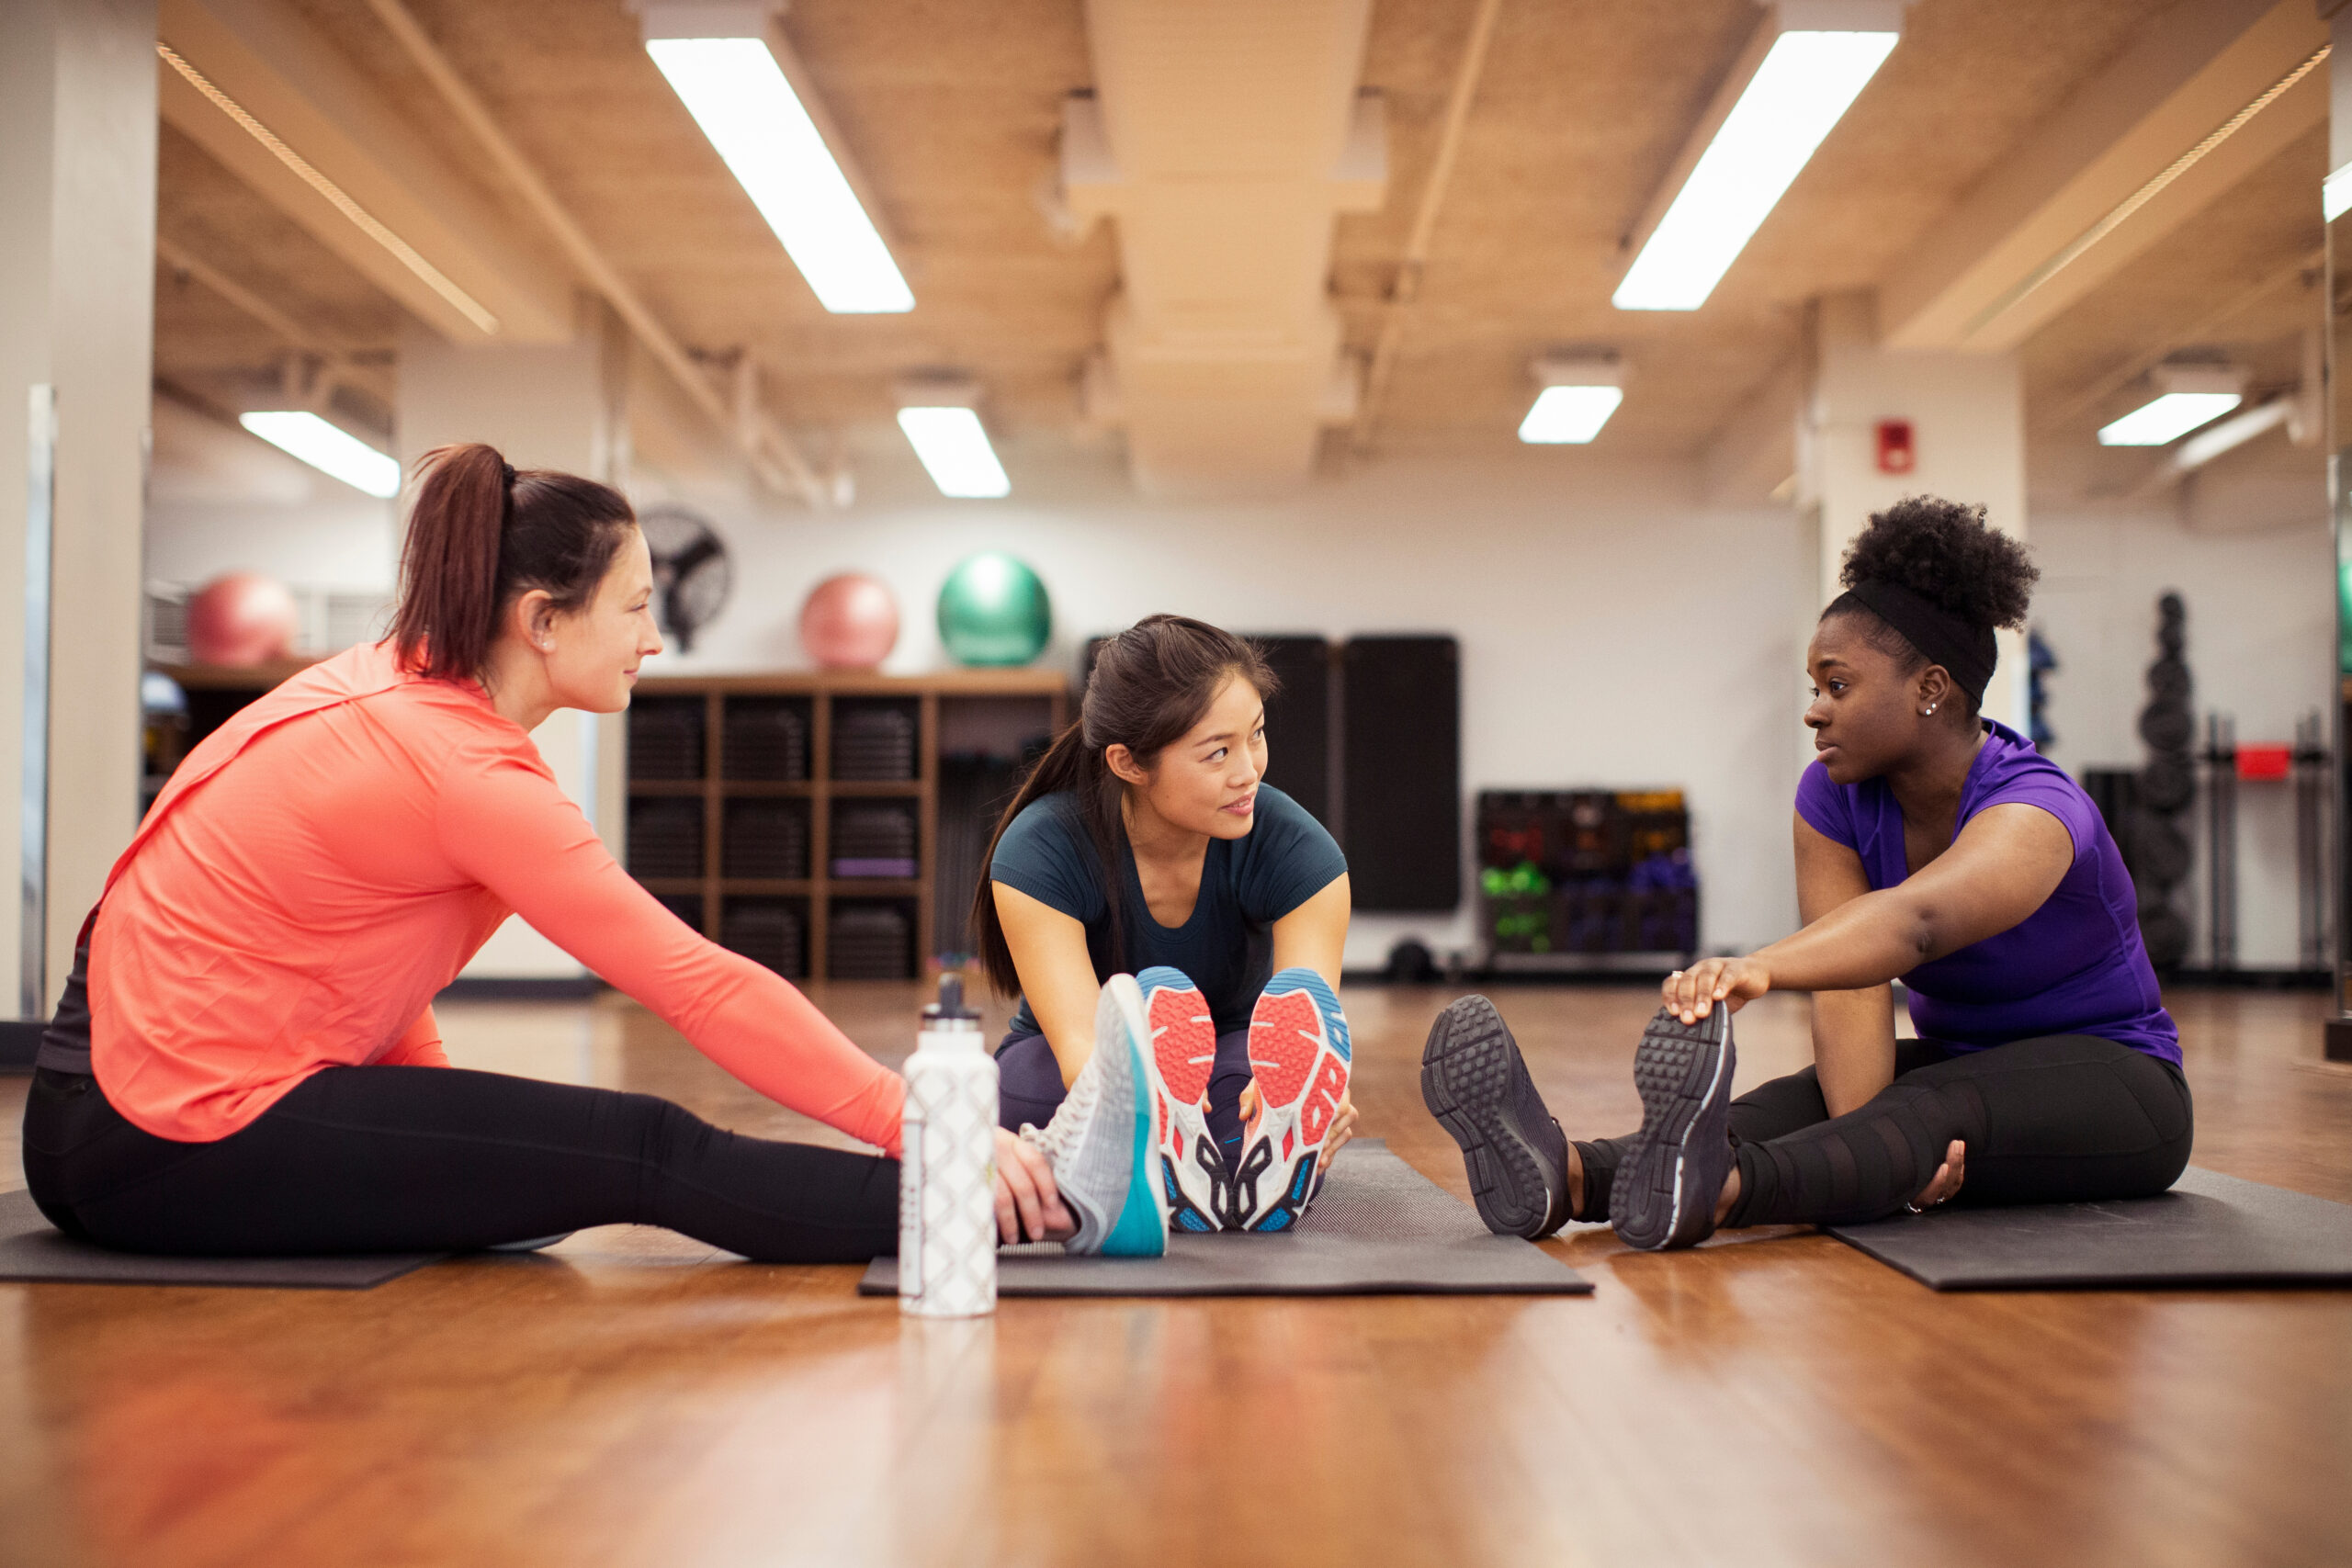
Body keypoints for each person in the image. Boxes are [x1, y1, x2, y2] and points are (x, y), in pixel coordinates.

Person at [21, 444, 1161, 1262]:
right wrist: (930, 1123)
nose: (654, 640)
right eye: (633, 609)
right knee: (642, 1147)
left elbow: (365, 959)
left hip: (113, 1103)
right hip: (156, 1129)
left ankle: (995, 1178)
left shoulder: (383, 684)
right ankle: (1026, 1201)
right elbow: (700, 986)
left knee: (539, 1186)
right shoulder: (462, 768)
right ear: (541, 620)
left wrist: (447, 1145)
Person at [1424, 496, 2192, 1250]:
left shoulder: (2038, 810)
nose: (1815, 711)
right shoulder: (1833, 798)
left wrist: (1758, 969)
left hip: (2121, 1083)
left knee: (1929, 1105)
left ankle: (1721, 1193)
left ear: (1930, 688)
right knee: (1798, 1100)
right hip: (1978, 1063)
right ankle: (1573, 1176)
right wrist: (1874, 1159)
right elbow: (1851, 983)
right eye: (1814, 687)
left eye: (1839, 685)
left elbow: (1913, 926)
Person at [975, 615, 1357, 1234]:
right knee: (1003, 1099)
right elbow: (1079, 1049)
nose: (1249, 770)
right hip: (1081, 1069)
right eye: (1218, 752)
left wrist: (1306, 1099)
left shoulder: (1300, 852)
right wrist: (1150, 1105)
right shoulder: (1040, 848)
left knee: (1245, 1110)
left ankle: (1181, 1167)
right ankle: (1201, 1164)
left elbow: (1302, 1026)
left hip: (1225, 1059)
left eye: (1255, 736)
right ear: (1129, 763)